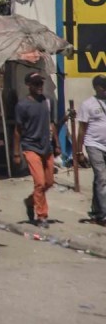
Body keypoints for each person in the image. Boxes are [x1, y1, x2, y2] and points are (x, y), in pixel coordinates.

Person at [14, 72, 58, 229]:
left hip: (47, 147)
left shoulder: (47, 101)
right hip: (30, 147)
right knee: (39, 182)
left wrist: (57, 144)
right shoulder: (22, 105)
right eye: (36, 84)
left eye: (41, 84)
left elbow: (52, 124)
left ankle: (30, 201)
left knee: (49, 182)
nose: (40, 87)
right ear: (29, 85)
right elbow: (18, 130)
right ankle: (42, 216)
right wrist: (16, 153)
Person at [75, 75, 106, 226]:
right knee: (102, 177)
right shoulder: (88, 104)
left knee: (99, 180)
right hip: (94, 145)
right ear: (97, 88)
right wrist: (79, 151)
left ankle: (96, 211)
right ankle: (103, 216)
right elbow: (82, 129)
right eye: (104, 87)